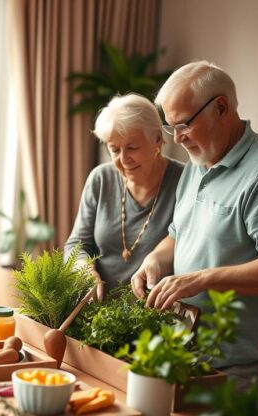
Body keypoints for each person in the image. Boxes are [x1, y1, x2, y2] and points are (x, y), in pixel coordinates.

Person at [131, 61, 258, 394]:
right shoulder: (198, 164)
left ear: (222, 108)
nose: (178, 139)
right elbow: (178, 234)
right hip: (199, 350)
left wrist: (200, 279)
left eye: (183, 125)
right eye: (171, 128)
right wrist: (154, 260)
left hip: (251, 361)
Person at [65, 93, 184, 300]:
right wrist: (85, 272)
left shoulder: (184, 182)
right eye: (114, 149)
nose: (123, 159)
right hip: (97, 313)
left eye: (132, 148)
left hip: (153, 315)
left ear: (157, 140)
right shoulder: (101, 179)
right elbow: (77, 244)